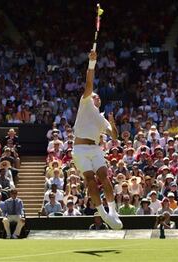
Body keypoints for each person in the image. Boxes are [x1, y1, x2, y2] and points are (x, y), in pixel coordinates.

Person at [72, 50, 122, 229]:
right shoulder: (85, 103)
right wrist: (92, 63)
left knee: (104, 177)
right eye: (95, 95)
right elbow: (89, 82)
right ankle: (102, 214)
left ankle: (113, 212)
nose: (97, 96)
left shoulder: (101, 118)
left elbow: (114, 136)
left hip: (95, 149)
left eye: (98, 96)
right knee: (91, 180)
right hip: (80, 149)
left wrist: (112, 123)